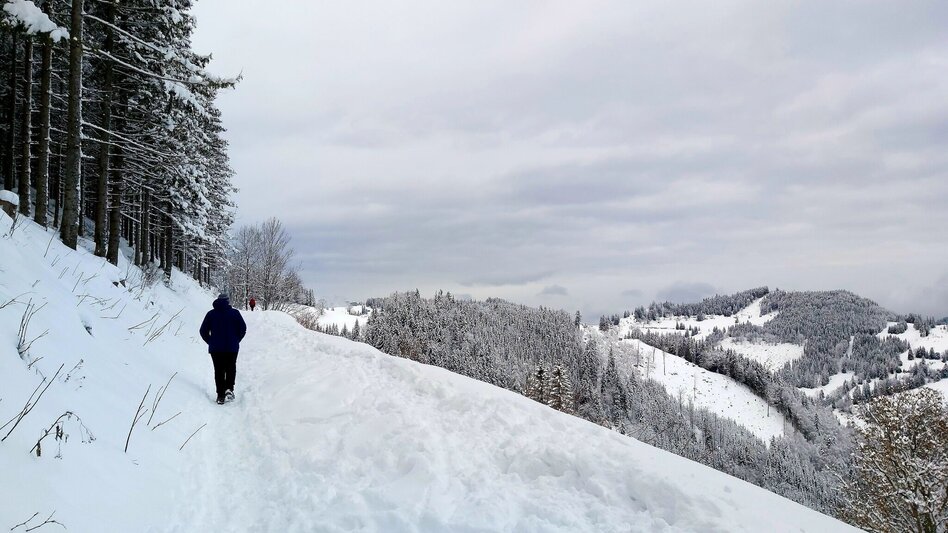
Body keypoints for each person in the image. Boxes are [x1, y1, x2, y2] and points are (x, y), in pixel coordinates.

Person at [199, 294, 247, 405]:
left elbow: (203, 331)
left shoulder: (211, 314)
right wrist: (236, 340)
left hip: (216, 348)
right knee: (231, 367)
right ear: (228, 301)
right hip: (232, 347)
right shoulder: (235, 313)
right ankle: (229, 389)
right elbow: (243, 329)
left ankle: (220, 395)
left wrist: (210, 341)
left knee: (219, 370)